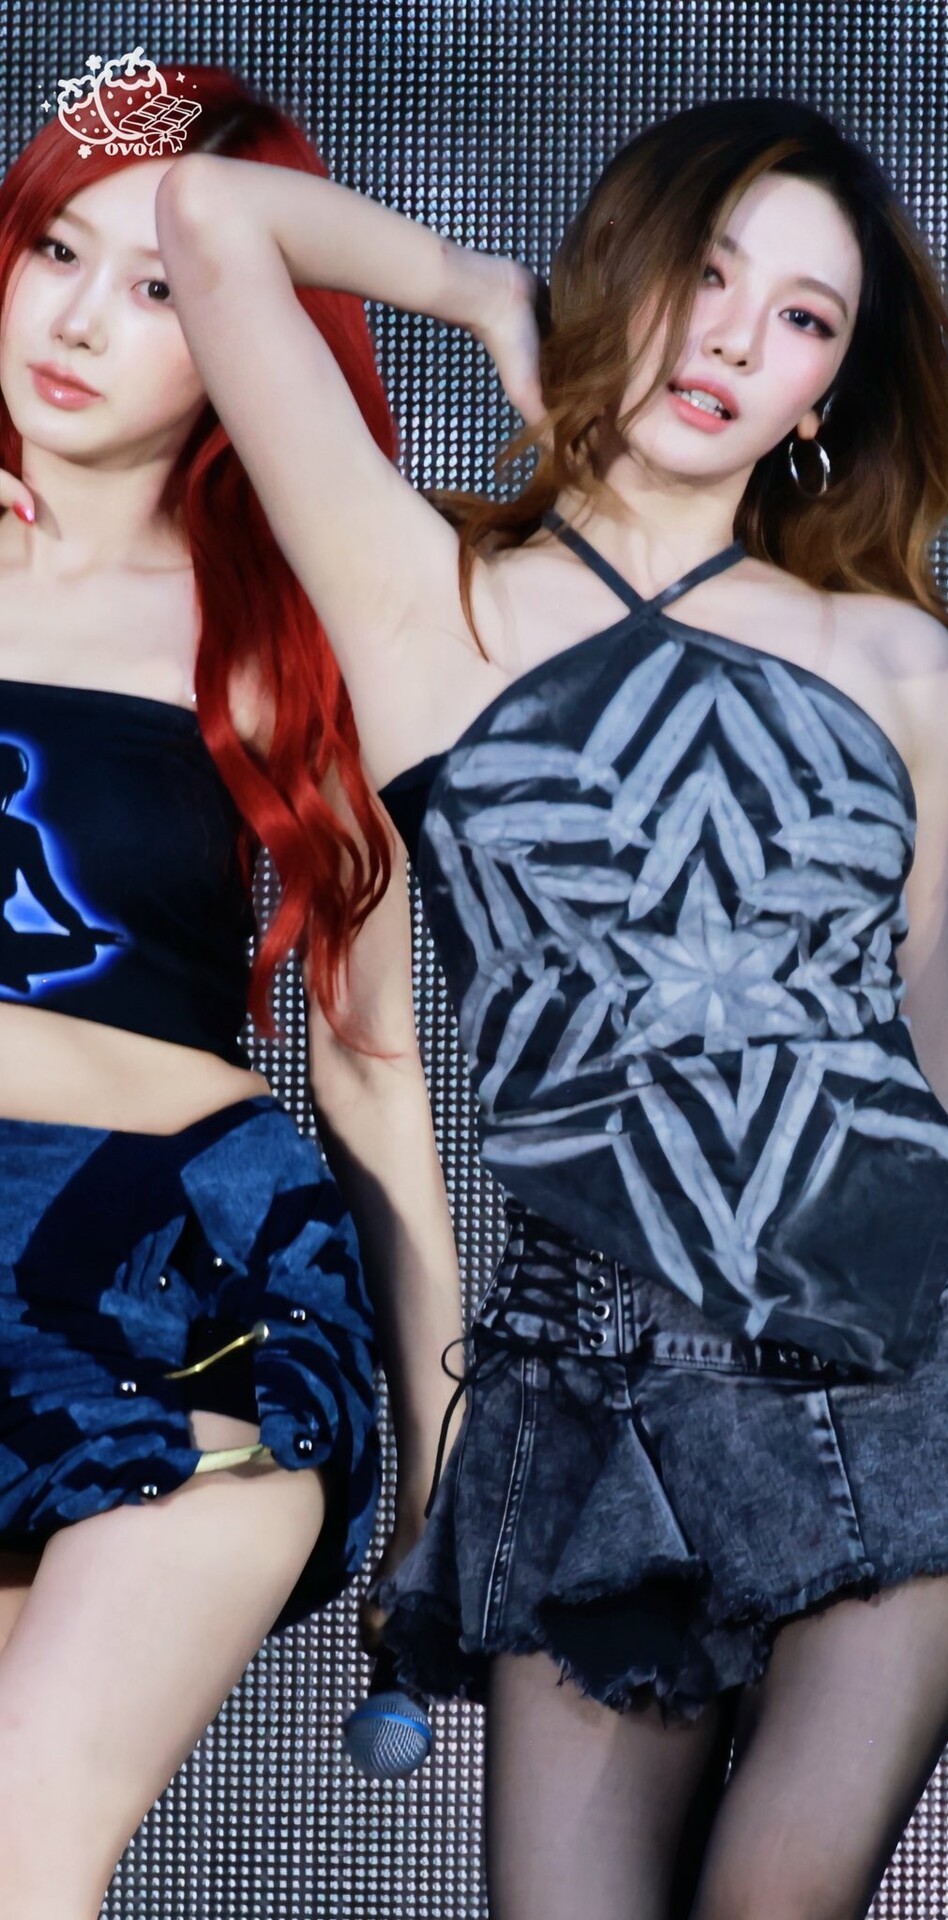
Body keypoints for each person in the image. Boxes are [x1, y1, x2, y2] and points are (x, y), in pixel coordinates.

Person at [155, 96, 948, 1920]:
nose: (732, 338)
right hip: (596, 1395)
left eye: (802, 317)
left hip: (911, 1349)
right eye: (707, 274)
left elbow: (925, 1043)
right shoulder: (425, 598)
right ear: (624, 265)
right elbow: (202, 211)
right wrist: (484, 291)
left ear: (825, 394)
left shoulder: (891, 653)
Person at [0, 63, 464, 1919]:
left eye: (163, 287)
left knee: (22, 1848)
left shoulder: (285, 638)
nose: (80, 323)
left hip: (181, 1279)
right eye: (56, 251)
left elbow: (374, 1072)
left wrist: (441, 1468)